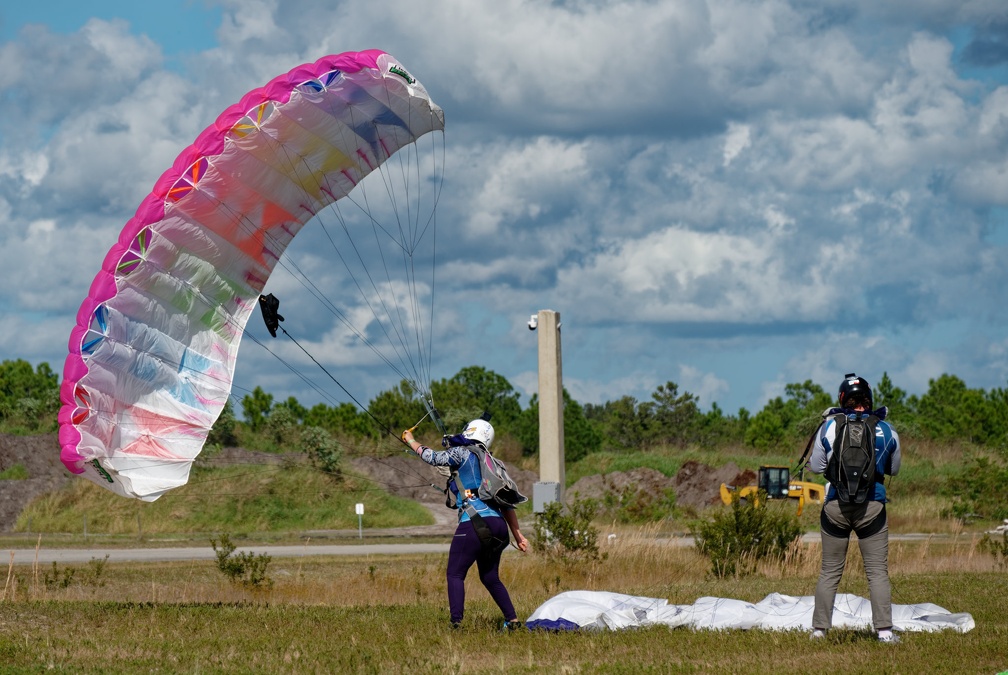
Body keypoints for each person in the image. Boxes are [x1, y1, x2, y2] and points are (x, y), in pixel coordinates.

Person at [402, 418, 529, 630]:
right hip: (499, 528)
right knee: (489, 577)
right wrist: (519, 536)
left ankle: (456, 624)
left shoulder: (462, 453)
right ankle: (513, 621)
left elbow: (432, 457)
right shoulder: (495, 463)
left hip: (474, 523)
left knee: (455, 573)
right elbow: (506, 504)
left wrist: (411, 441)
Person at [808, 373, 902, 643]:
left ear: (842, 400)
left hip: (836, 507)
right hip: (872, 506)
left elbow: (816, 467)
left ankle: (819, 631)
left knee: (829, 571)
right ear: (869, 401)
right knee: (877, 573)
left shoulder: (829, 426)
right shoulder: (887, 430)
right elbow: (893, 469)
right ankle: (884, 632)